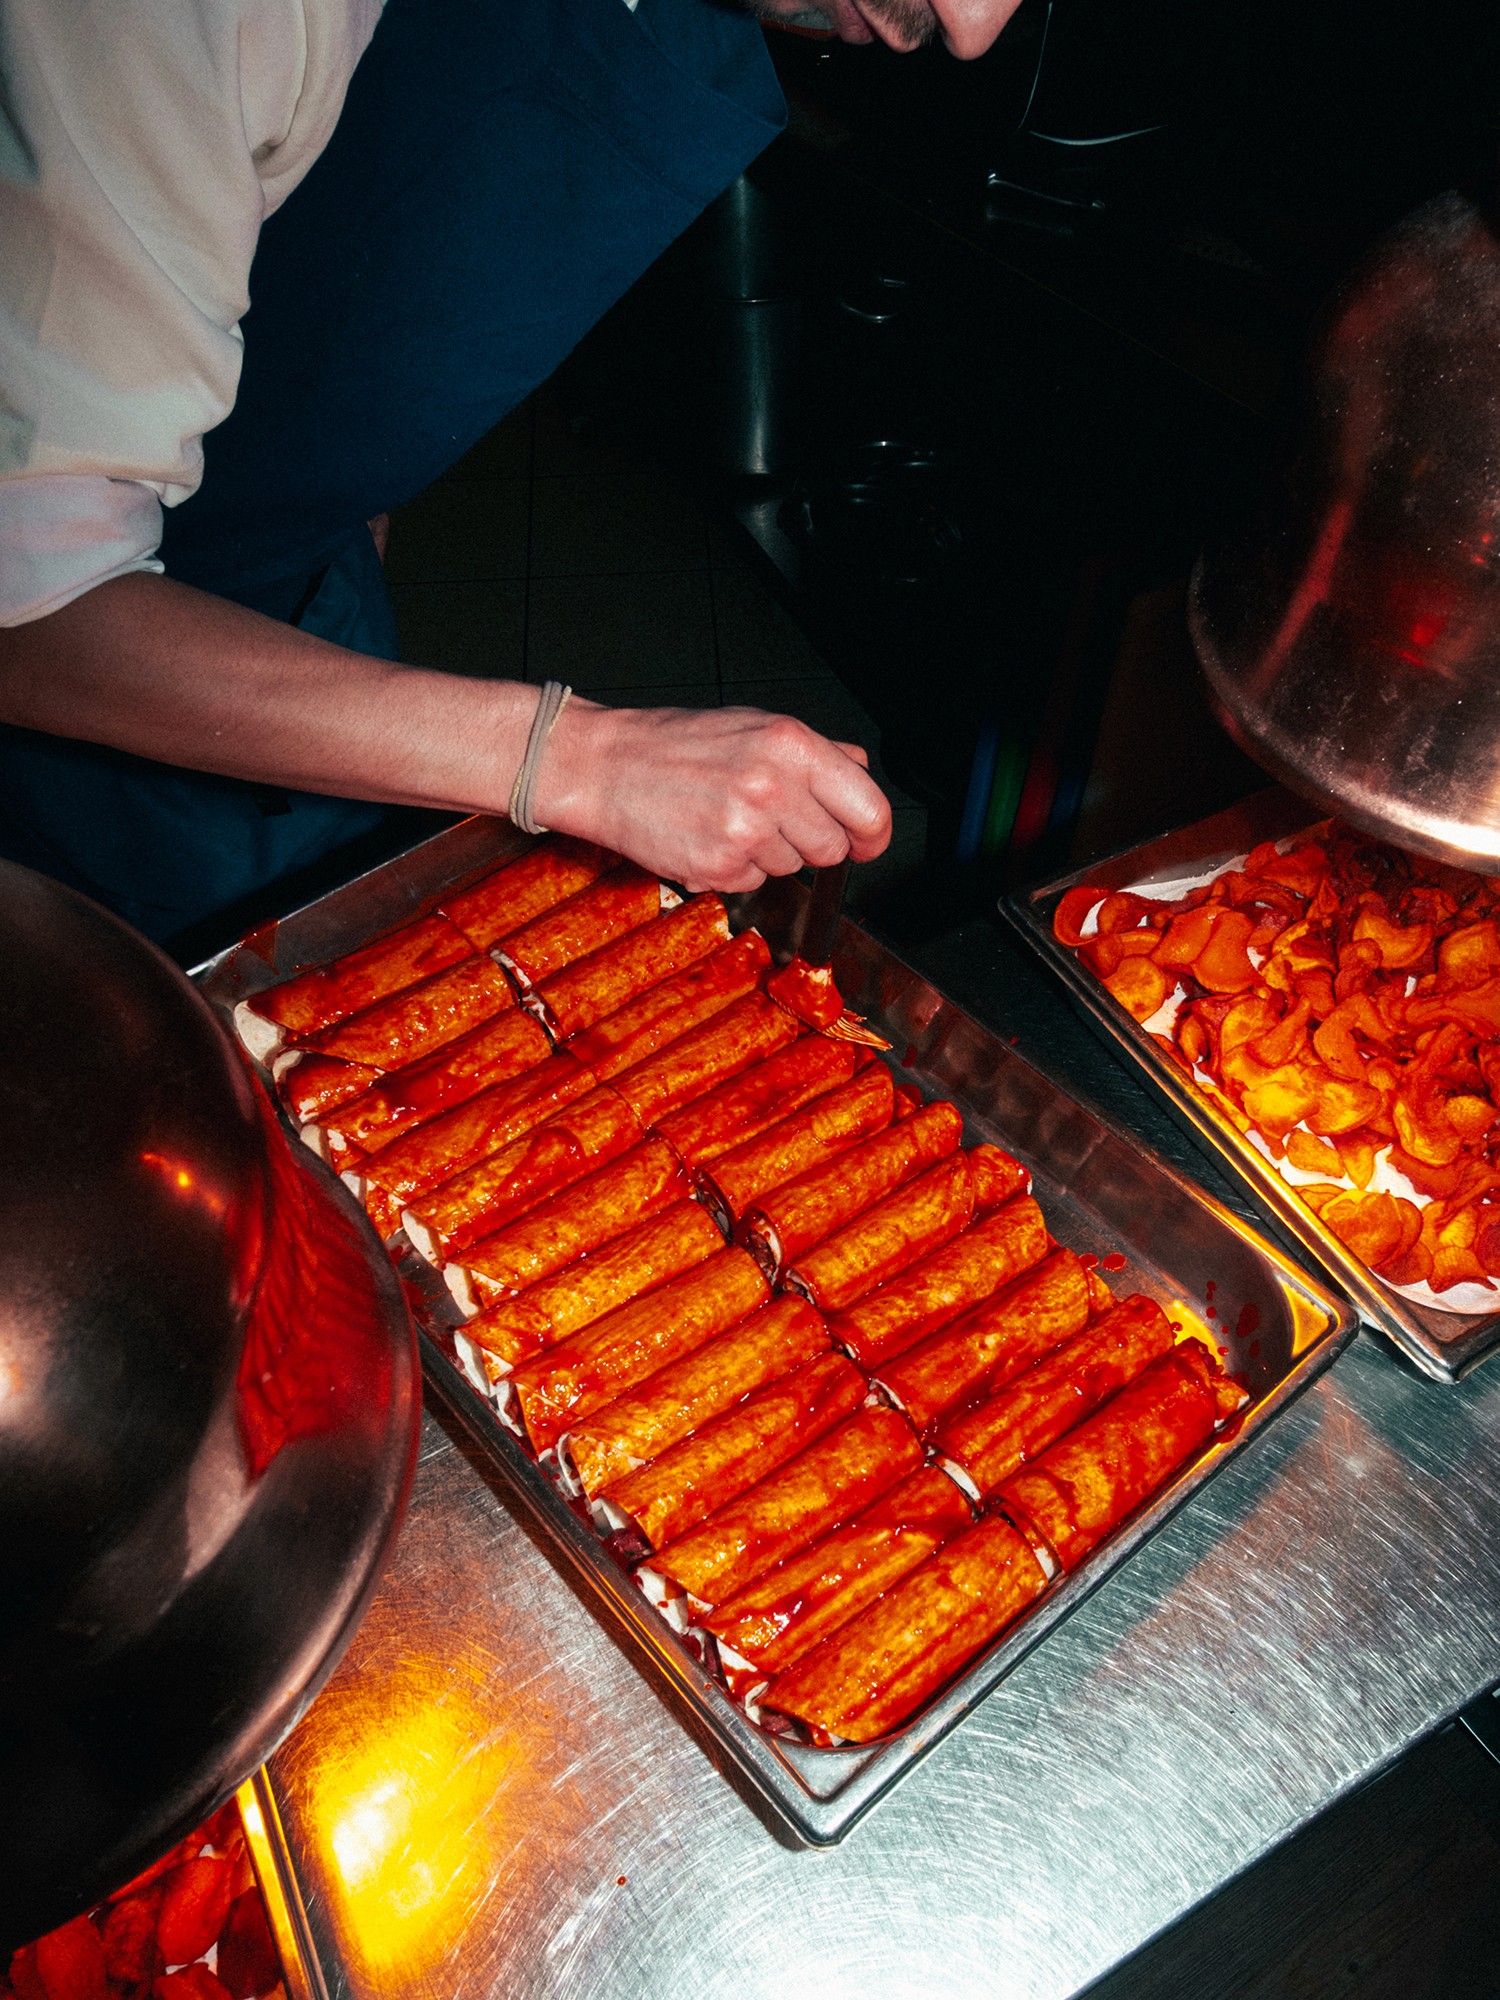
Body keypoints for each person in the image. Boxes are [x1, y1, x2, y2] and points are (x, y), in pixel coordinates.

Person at [0, 0, 1023, 944]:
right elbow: (34, 609)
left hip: (311, 603)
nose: (971, 29)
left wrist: (355, 502)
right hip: (84, 718)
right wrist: (579, 759)